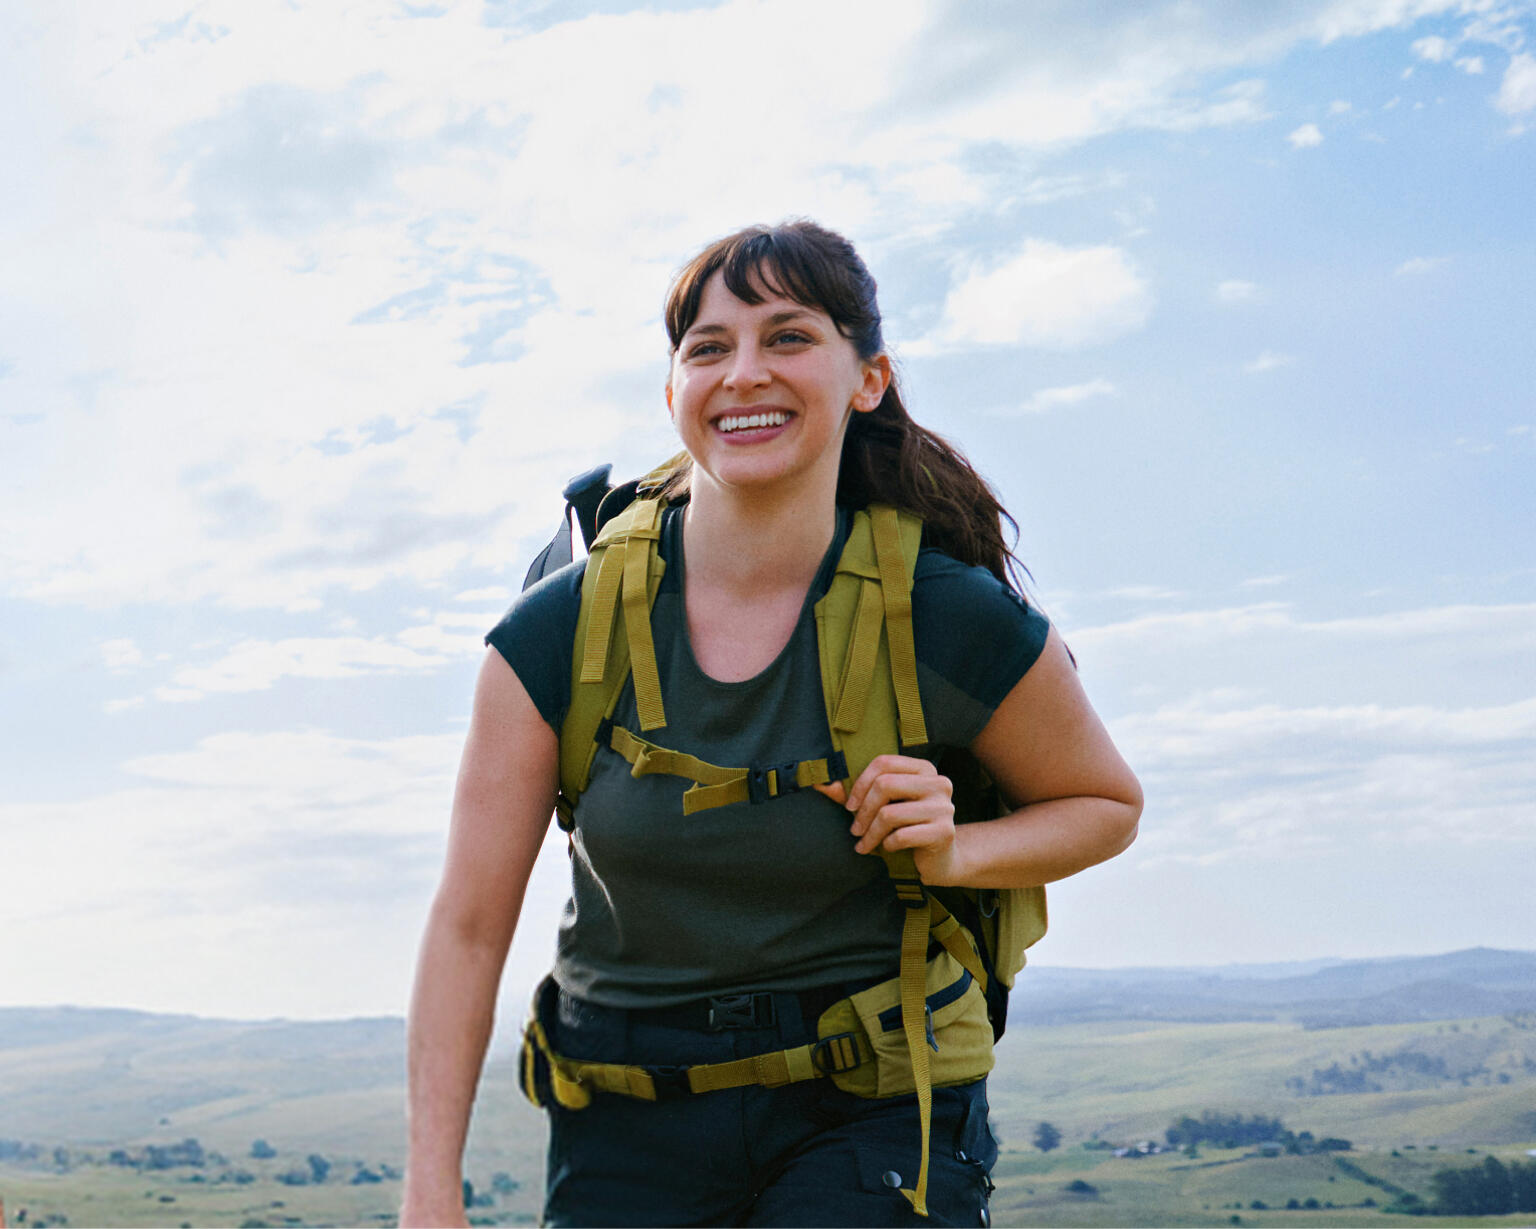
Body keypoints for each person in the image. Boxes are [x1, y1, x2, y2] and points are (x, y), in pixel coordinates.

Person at [400, 220, 1143, 1228]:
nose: (744, 372)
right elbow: (468, 921)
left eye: (788, 337)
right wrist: (429, 1190)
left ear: (867, 377)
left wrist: (958, 847)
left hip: (871, 1108)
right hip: (628, 1116)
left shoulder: (945, 614)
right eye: (709, 347)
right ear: (674, 394)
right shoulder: (558, 634)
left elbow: (1104, 802)